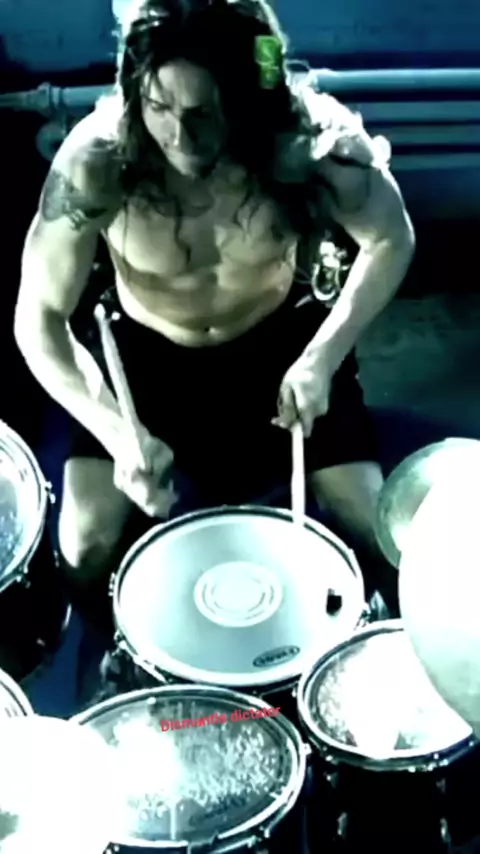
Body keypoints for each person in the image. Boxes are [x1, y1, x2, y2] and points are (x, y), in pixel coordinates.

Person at [15, 0, 414, 642]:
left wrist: (324, 357)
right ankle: (109, 659)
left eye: (202, 112)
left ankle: (391, 653)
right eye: (159, 107)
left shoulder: (306, 143)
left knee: (376, 526)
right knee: (83, 546)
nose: (179, 135)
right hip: (146, 356)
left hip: (282, 346)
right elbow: (37, 318)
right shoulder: (99, 162)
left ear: (244, 98)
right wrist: (117, 433)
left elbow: (392, 239)